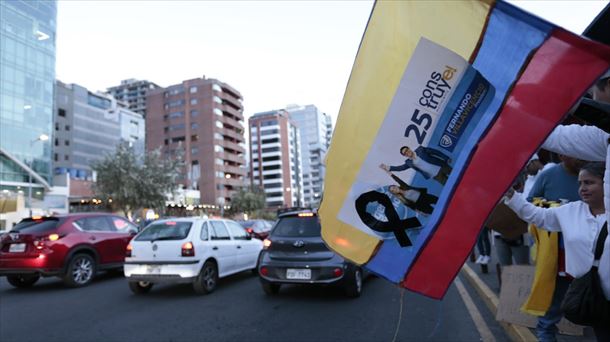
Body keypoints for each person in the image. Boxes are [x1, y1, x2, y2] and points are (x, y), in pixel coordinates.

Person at [505, 162, 609, 341]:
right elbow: (537, 216)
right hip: (587, 293)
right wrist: (512, 196)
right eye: (580, 183)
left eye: (589, 183)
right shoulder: (571, 211)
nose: (582, 188)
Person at [526, 156, 583, 342]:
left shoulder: (595, 172)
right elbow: (529, 203)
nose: (582, 159)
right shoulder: (549, 175)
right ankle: (546, 332)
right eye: (577, 155)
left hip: (588, 251)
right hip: (556, 252)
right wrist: (557, 208)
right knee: (553, 297)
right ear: (563, 155)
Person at [380, 145, 452, 185]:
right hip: (436, 176)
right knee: (450, 186)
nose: (407, 152)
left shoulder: (420, 149)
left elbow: (435, 152)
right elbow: (400, 168)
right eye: (405, 153)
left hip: (442, 167)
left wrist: (446, 158)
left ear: (409, 148)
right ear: (404, 155)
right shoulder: (409, 163)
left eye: (407, 150)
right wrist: (387, 167)